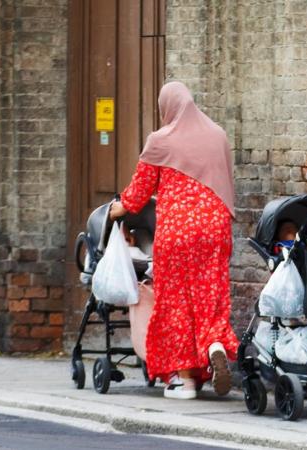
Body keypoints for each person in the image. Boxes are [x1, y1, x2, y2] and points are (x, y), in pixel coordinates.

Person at [109, 81, 239, 400]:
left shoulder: (160, 140)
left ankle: (184, 381)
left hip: (178, 231)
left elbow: (139, 193)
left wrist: (118, 209)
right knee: (209, 296)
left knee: (177, 303)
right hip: (215, 227)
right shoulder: (218, 136)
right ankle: (215, 343)